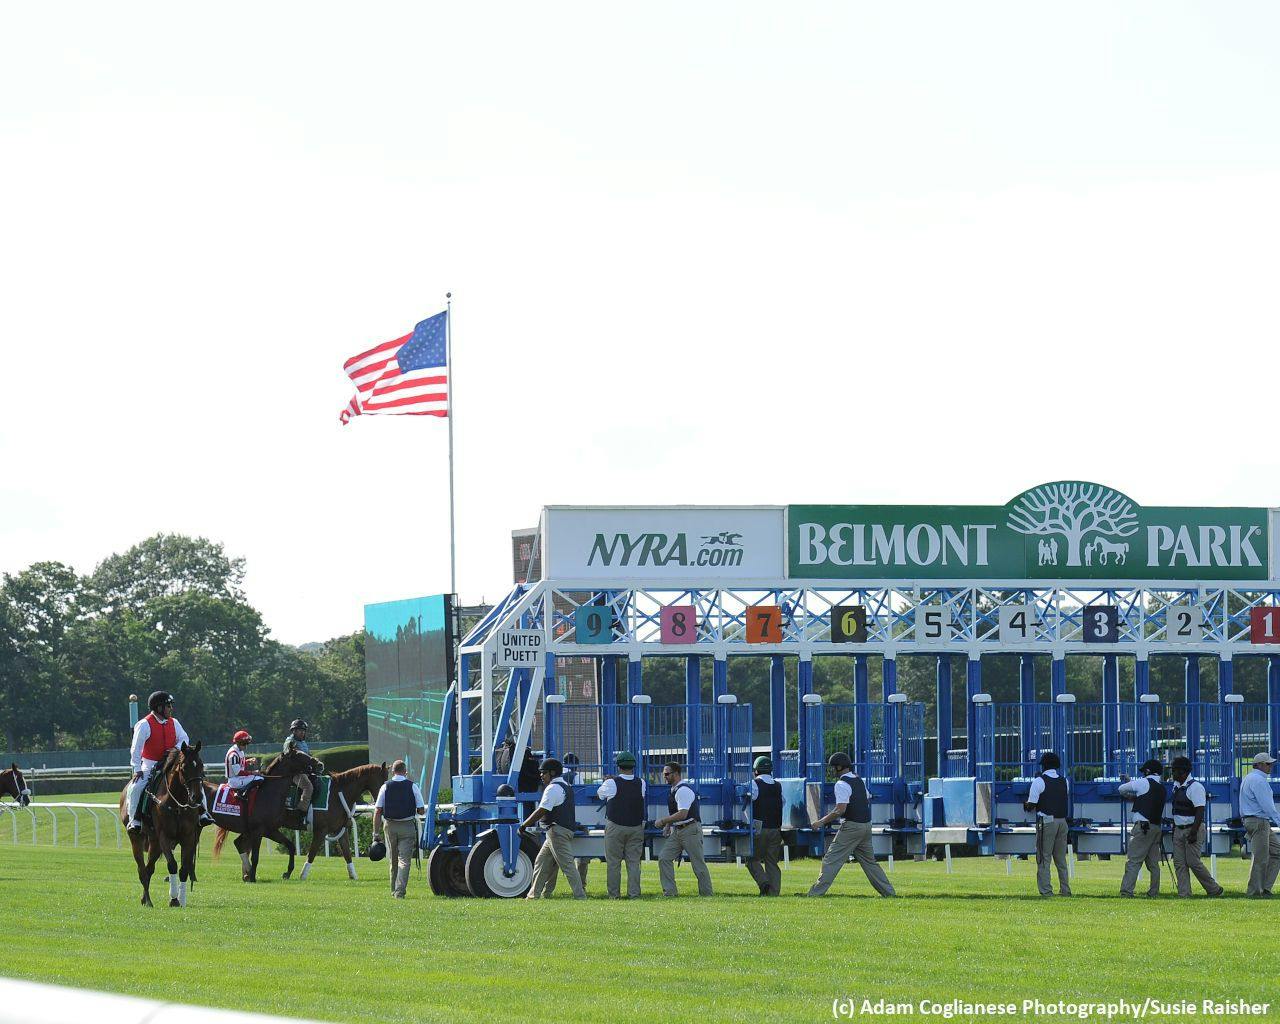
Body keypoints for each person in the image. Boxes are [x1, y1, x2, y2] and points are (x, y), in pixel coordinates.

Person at [807, 752, 896, 898]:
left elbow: (840, 809)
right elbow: (866, 798)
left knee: (831, 859)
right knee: (870, 863)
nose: (832, 770)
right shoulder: (859, 780)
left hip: (852, 826)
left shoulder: (841, 784)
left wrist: (820, 822)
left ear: (840, 767)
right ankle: (889, 893)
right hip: (866, 825)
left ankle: (815, 893)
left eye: (833, 767)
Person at [126, 691, 212, 832]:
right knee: (136, 787)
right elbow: (135, 749)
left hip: (171, 762)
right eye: (168, 705)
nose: (171, 708)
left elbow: (184, 738)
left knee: (196, 781)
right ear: (159, 708)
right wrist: (137, 769)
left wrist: (174, 750)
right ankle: (134, 819)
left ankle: (203, 813)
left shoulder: (174, 722)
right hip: (150, 764)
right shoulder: (144, 724)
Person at [522, 758, 587, 899]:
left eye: (544, 773)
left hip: (556, 831)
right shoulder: (566, 786)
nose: (541, 776)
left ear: (552, 773)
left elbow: (542, 810)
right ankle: (534, 896)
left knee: (567, 866)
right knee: (541, 862)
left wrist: (524, 825)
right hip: (558, 831)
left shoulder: (552, 788)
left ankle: (580, 896)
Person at [655, 762, 714, 897]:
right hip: (679, 830)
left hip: (690, 829)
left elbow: (682, 814)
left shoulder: (683, 790)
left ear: (676, 774)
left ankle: (707, 894)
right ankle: (670, 893)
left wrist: (663, 821)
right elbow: (675, 812)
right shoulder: (674, 790)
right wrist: (668, 826)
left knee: (698, 864)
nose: (664, 777)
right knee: (664, 858)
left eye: (667, 774)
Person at [1168, 756, 1223, 898]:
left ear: (1183, 772)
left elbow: (1200, 811)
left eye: (1174, 771)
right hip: (1179, 830)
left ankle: (1214, 889)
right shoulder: (1177, 786)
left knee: (1193, 862)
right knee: (1179, 863)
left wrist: (1193, 832)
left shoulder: (1196, 787)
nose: (1172, 773)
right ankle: (1184, 893)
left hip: (1193, 829)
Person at [372, 759, 425, 899]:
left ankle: (393, 890)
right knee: (404, 860)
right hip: (407, 826)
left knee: (393, 860)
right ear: (405, 771)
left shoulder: (385, 787)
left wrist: (375, 833)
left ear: (392, 771)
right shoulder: (413, 786)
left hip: (389, 826)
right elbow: (421, 810)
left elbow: (377, 811)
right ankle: (399, 892)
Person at [595, 750, 646, 899]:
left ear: (618, 766)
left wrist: (608, 781)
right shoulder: (641, 782)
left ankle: (614, 895)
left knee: (613, 863)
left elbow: (600, 795)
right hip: (636, 827)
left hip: (615, 826)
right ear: (633, 766)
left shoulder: (611, 782)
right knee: (634, 863)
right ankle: (634, 894)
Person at [1117, 758, 1166, 898]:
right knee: (1153, 864)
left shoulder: (1144, 782)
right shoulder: (1161, 788)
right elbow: (1146, 797)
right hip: (1156, 827)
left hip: (1142, 827)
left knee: (1133, 861)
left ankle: (1126, 891)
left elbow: (1121, 789)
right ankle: (1153, 892)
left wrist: (1130, 792)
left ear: (1148, 771)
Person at [1025, 751, 1071, 897]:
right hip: (1062, 822)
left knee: (1044, 857)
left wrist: (1025, 805)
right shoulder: (1065, 781)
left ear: (1044, 766)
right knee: (1061, 859)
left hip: (1047, 822)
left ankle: (1046, 891)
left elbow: (1032, 804)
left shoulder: (1039, 781)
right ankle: (1065, 890)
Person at [1240, 751, 1280, 898]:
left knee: (1276, 853)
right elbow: (1267, 806)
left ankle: (1265, 889)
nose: (1271, 766)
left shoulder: (1248, 778)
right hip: (1260, 821)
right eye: (1268, 764)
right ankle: (1255, 892)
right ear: (1260, 765)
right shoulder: (1259, 781)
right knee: (1260, 858)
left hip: (1254, 820)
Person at [745, 755, 783, 896]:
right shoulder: (778, 785)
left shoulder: (754, 784)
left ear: (756, 771)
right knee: (772, 862)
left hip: (759, 827)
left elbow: (748, 802)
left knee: (751, 859)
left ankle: (764, 883)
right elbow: (782, 802)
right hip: (776, 828)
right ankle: (774, 892)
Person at [283, 719, 314, 816]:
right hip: (294, 772)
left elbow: (308, 756)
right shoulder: (290, 742)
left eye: (304, 730)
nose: (302, 732)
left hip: (304, 771)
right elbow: (291, 757)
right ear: (294, 731)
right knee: (308, 787)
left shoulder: (303, 743)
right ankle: (300, 812)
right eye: (300, 730)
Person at [223, 730, 263, 795]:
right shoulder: (233, 755)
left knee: (259, 777)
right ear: (238, 743)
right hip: (235, 781)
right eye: (244, 744)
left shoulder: (240, 751)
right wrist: (253, 772)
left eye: (247, 743)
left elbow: (240, 764)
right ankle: (241, 793)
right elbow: (238, 772)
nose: (246, 746)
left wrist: (248, 761)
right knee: (259, 779)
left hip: (239, 778)